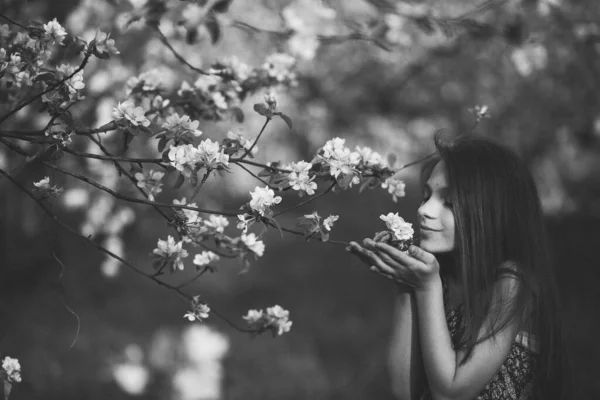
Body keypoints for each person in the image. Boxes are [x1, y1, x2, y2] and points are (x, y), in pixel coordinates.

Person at [347, 133, 572, 400]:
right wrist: (405, 282)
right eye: (427, 195)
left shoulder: (511, 282)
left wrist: (425, 285)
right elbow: (405, 392)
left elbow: (451, 393)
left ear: (491, 215)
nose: (424, 210)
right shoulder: (442, 277)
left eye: (449, 203)